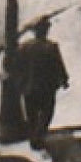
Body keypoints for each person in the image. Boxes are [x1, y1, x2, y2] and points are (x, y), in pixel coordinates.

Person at [14, 17, 69, 149]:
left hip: (29, 88)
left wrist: (20, 83)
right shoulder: (51, 47)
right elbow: (59, 66)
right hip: (47, 88)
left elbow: (17, 67)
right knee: (47, 113)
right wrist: (64, 80)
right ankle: (38, 135)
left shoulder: (24, 47)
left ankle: (34, 136)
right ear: (46, 31)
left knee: (31, 114)